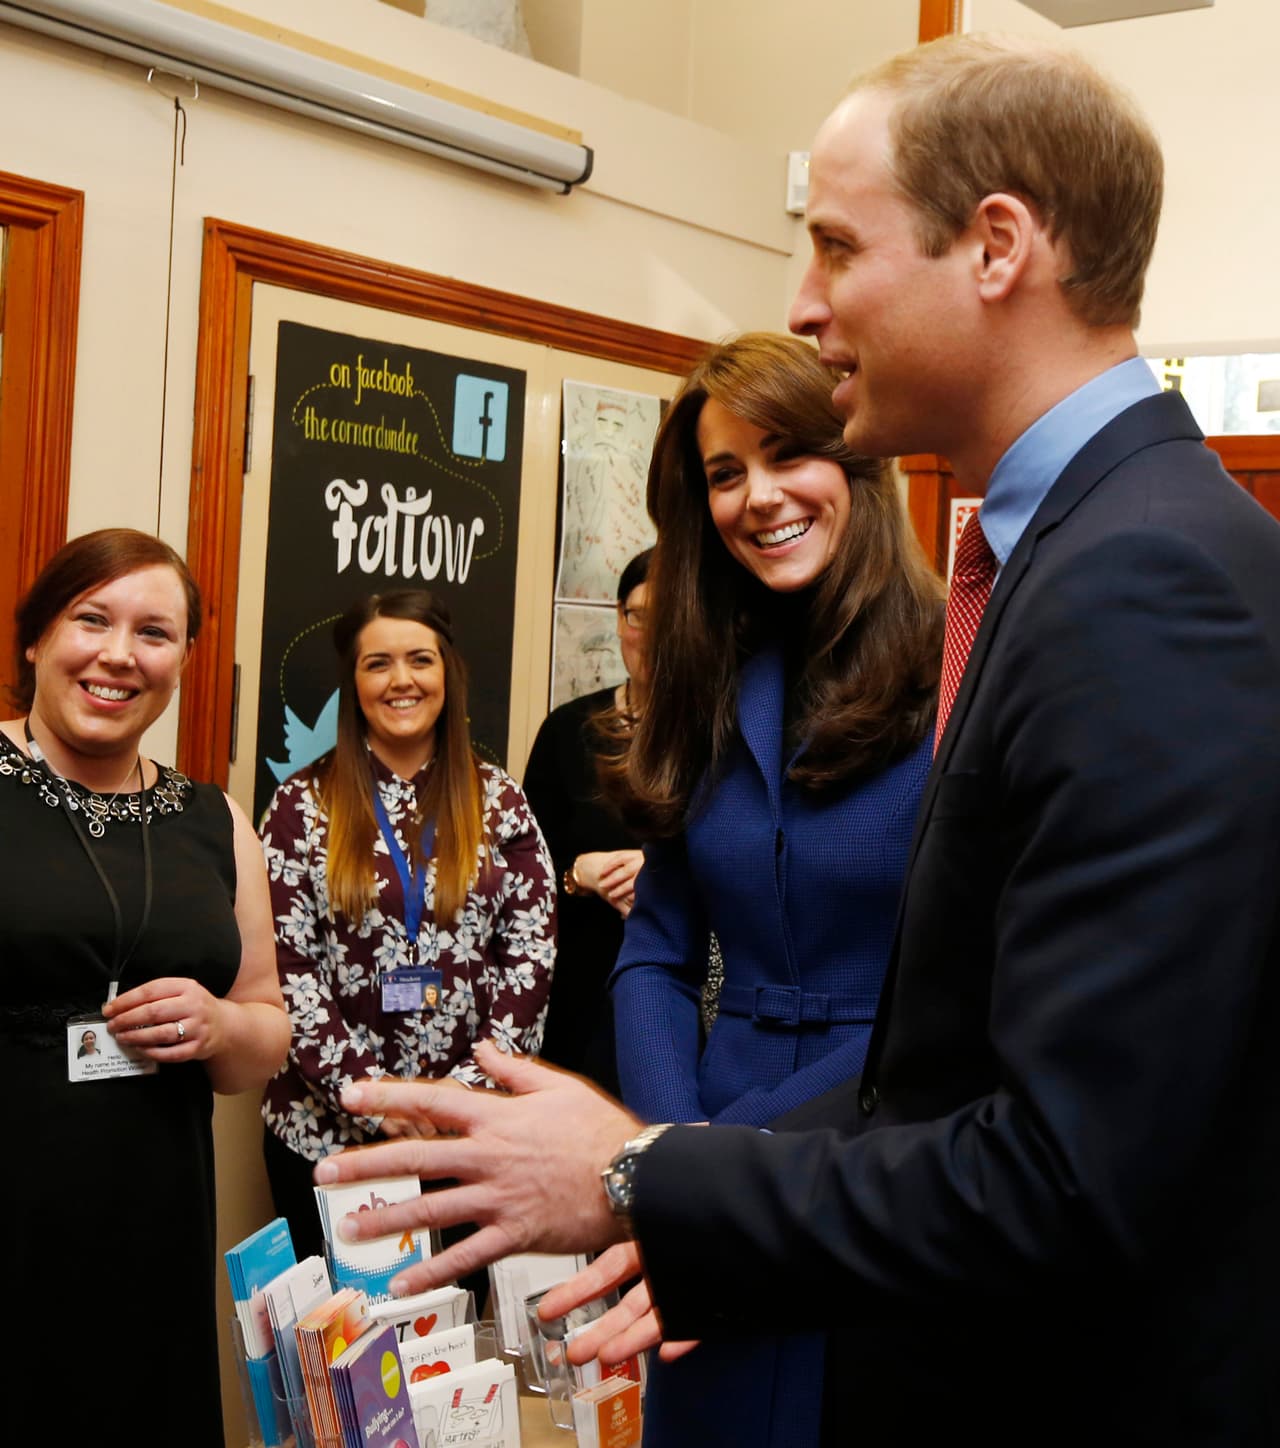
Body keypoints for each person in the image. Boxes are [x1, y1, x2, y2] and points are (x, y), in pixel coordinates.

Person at [306, 33, 1280, 1447]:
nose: (805, 306)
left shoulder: (1143, 579)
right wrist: (664, 1149)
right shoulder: (1080, 555)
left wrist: (647, 1177)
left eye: (833, 245)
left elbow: (1071, 1173)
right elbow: (957, 1076)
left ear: (995, 245)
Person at [601, 333, 941, 1446]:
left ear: (856, 461)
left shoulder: (962, 671)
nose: (757, 496)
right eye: (723, 471)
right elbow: (654, 946)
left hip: (885, 1150)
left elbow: (952, 981)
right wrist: (671, 1145)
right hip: (704, 1140)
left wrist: (732, 1156)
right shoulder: (701, 675)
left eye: (786, 453)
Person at [0, 527, 289, 1447]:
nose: (119, 655)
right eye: (92, 619)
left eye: (154, 632)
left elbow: (266, 1033)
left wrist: (216, 1025)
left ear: (185, 660)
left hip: (150, 1235)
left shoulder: (217, 821)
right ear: (37, 637)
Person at [259, 589, 555, 1260]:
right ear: (353, 681)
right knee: (337, 1354)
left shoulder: (501, 802)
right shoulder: (298, 808)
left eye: (419, 660)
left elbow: (529, 961)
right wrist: (374, 1097)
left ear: (447, 672)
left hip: (467, 1143)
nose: (401, 681)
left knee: (447, 1353)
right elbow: (288, 971)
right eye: (378, 664)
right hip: (327, 1138)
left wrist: (460, 1098)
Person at [522, 547, 652, 1094]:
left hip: (684, 1002)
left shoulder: (722, 733)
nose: (653, 633)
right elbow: (517, 872)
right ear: (619, 619)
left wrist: (664, 871)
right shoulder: (567, 731)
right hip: (576, 990)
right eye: (639, 614)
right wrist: (580, 874)